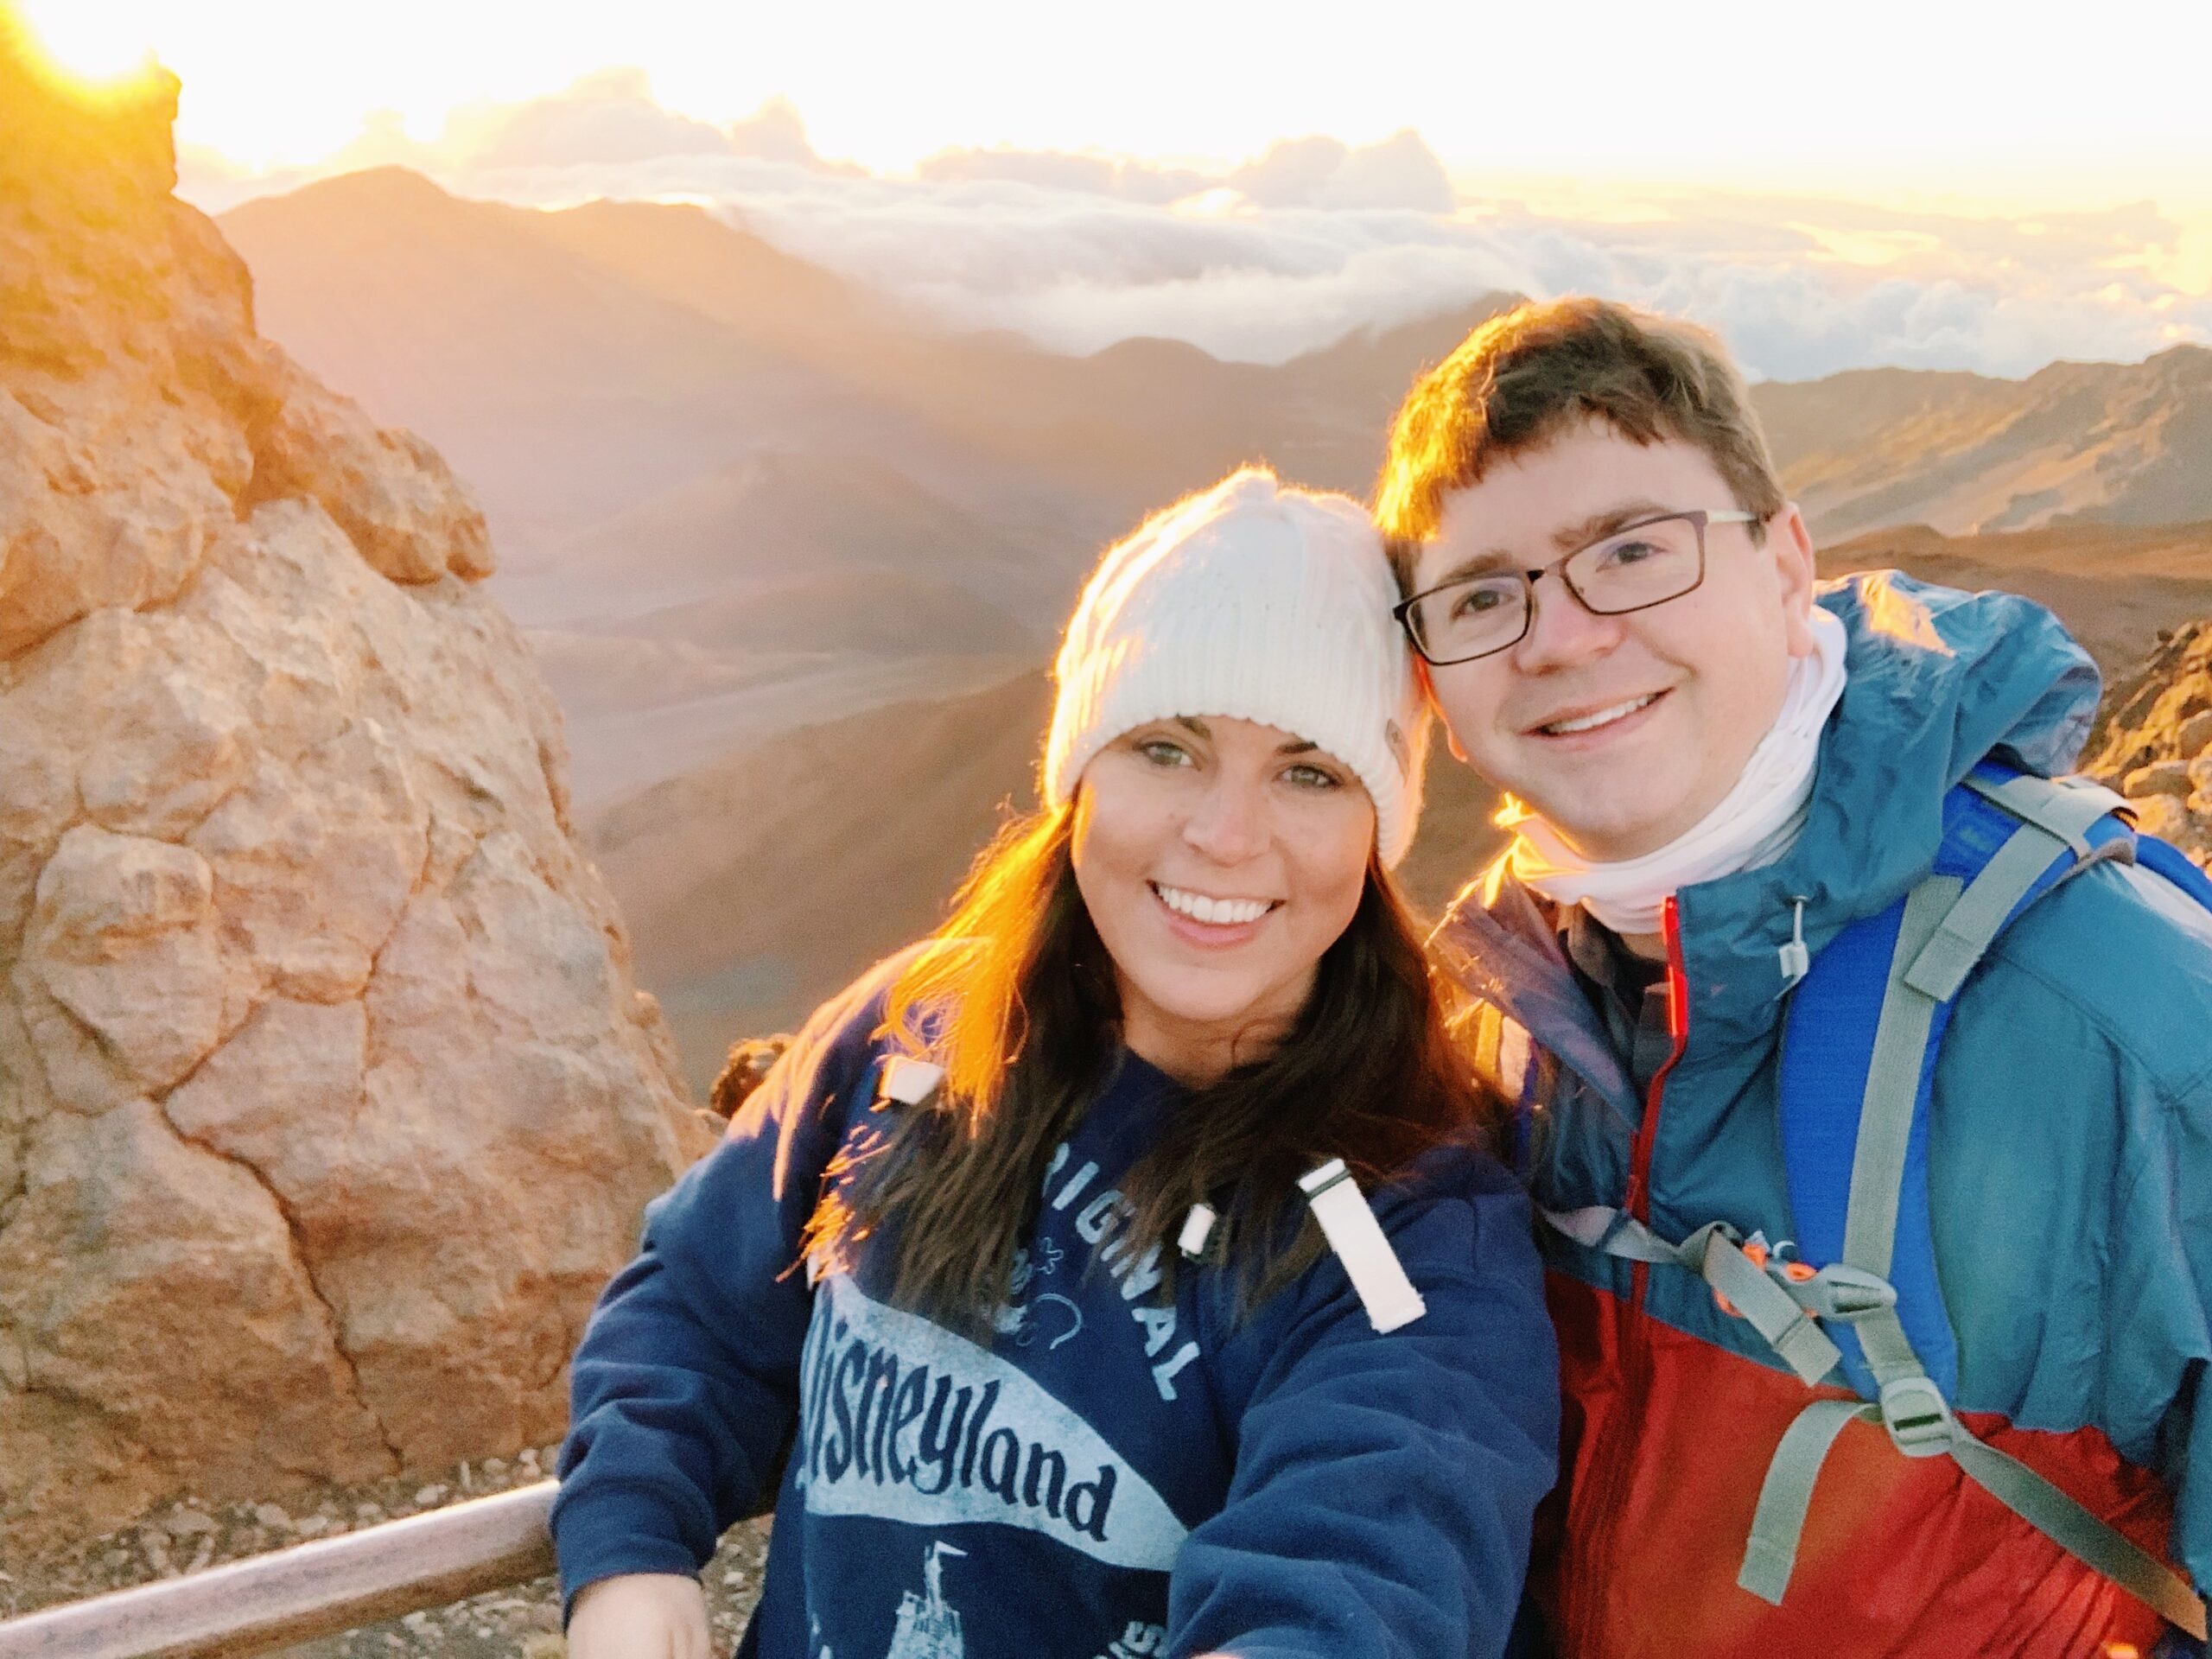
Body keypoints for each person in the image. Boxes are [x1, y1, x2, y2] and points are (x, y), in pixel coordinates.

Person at [550, 468, 1560, 1659]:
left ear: (1375, 828)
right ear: (1077, 778)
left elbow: (1370, 1563)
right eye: (1167, 748)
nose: (1226, 835)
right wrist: (631, 1553)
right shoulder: (914, 1030)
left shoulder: (1413, 1229)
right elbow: (696, 1303)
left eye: (1310, 771)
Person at [1374, 296, 2212, 1657]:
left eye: (1632, 551)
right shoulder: (1488, 1011)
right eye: (1484, 595)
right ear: (1436, 690)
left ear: (1784, 561)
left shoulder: (2124, 1020)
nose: (1564, 636)